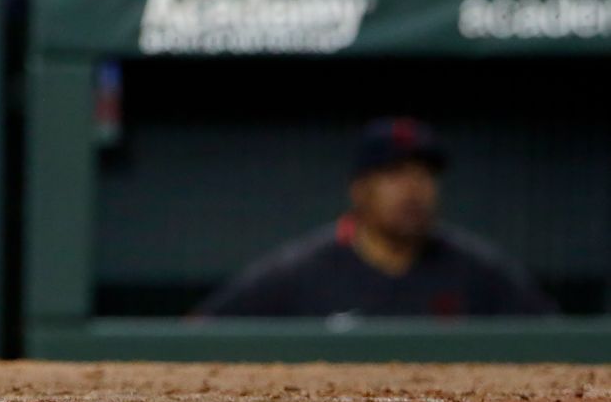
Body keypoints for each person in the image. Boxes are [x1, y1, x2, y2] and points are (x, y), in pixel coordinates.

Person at [198, 118, 556, 318]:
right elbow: (197, 333)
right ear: (360, 189)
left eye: (424, 174)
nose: (413, 189)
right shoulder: (298, 272)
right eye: (395, 173)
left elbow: (560, 341)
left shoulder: (479, 270)